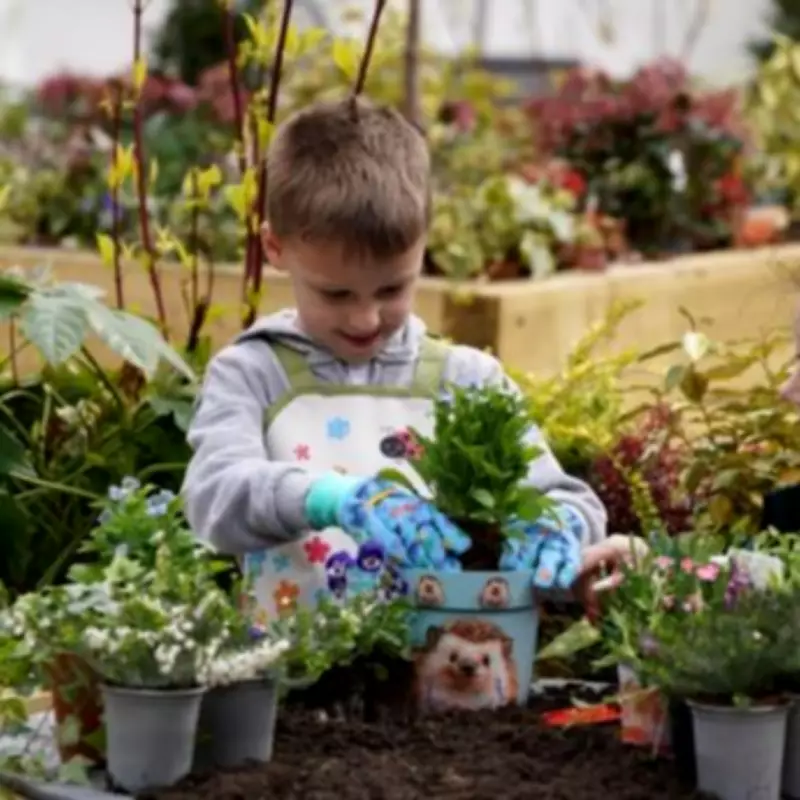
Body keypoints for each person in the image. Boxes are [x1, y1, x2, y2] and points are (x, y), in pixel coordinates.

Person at [181, 96, 608, 622]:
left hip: (447, 660)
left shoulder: (465, 379)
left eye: (392, 289)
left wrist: (555, 525)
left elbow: (568, 498)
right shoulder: (253, 373)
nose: (365, 319)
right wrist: (330, 499)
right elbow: (213, 497)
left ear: (424, 245)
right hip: (291, 662)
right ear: (274, 247)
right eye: (336, 294)